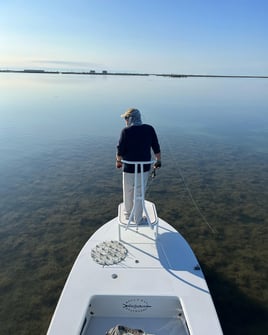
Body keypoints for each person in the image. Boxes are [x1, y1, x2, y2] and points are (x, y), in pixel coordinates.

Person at [116, 108, 161, 224]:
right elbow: (156, 147)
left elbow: (120, 150)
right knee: (139, 193)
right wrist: (158, 161)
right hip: (144, 168)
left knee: (128, 191)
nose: (125, 120)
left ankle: (128, 214)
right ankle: (138, 219)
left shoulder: (125, 131)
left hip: (128, 168)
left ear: (131, 118)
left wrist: (118, 162)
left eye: (126, 118)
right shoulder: (149, 129)